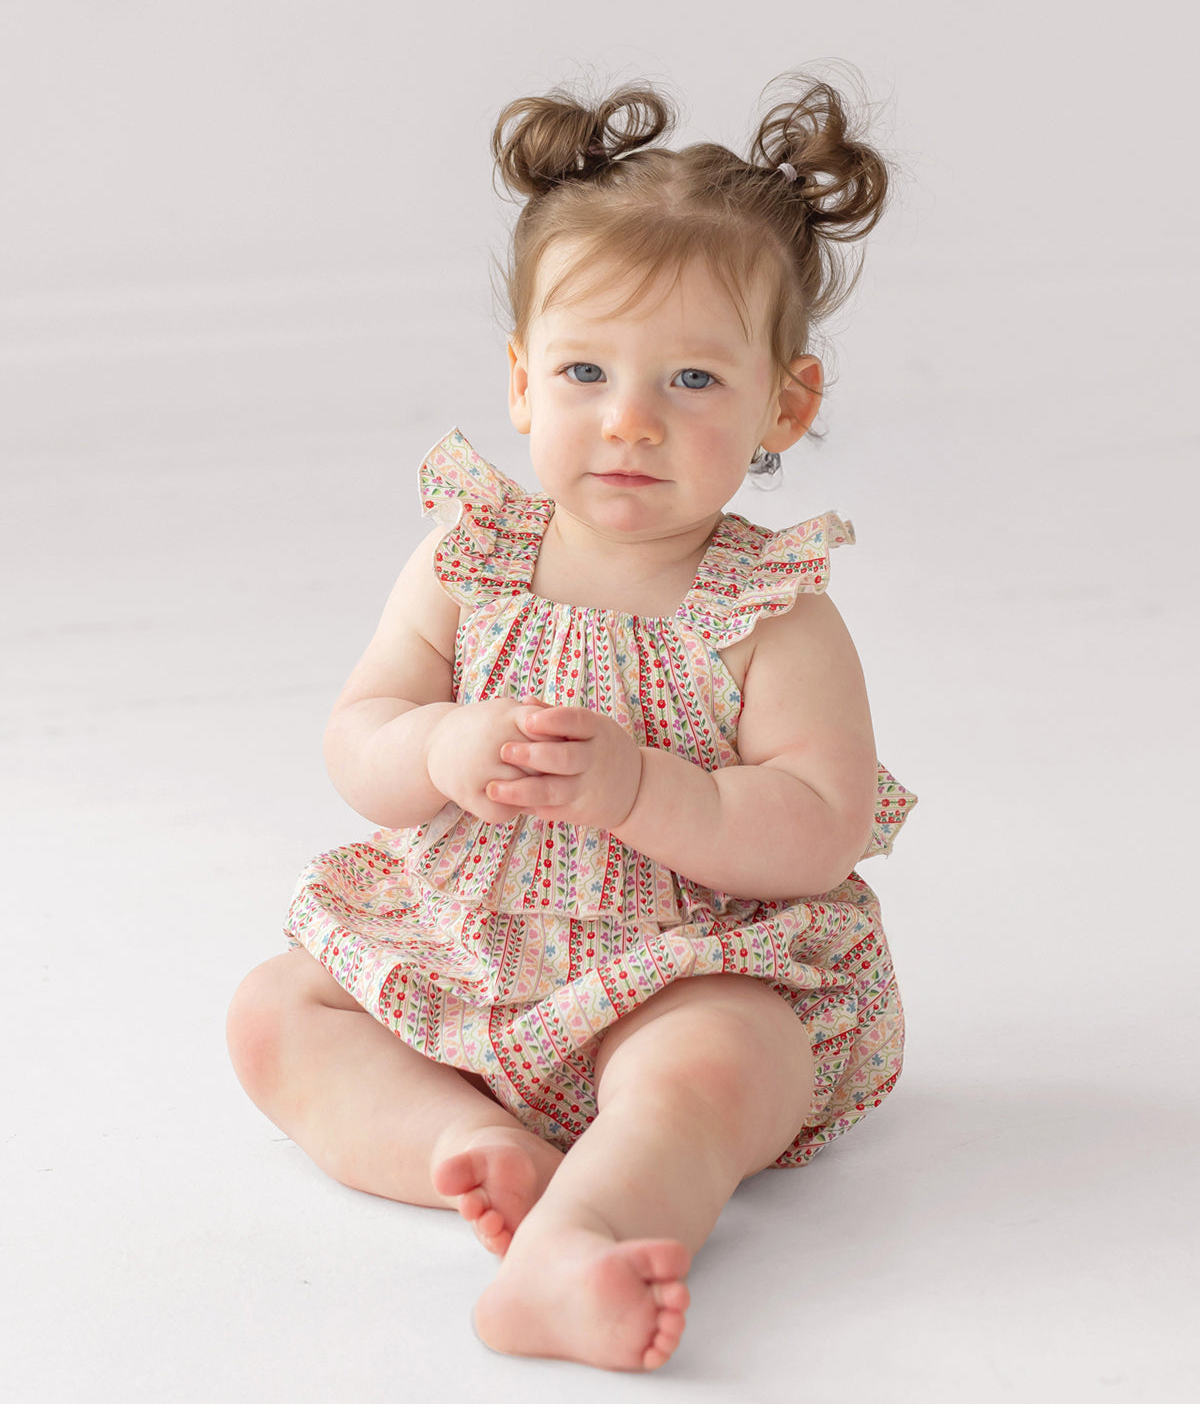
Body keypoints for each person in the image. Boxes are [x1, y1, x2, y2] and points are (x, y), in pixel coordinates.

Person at [226, 69, 917, 1373]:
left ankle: (580, 1240)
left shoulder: (770, 612)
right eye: (587, 370)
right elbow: (358, 733)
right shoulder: (468, 559)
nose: (632, 420)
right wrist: (432, 749)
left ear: (788, 404)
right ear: (523, 382)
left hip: (688, 967)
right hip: (469, 959)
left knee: (715, 1068)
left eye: (696, 379)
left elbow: (819, 827)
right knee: (276, 1011)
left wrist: (647, 793)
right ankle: (466, 1150)